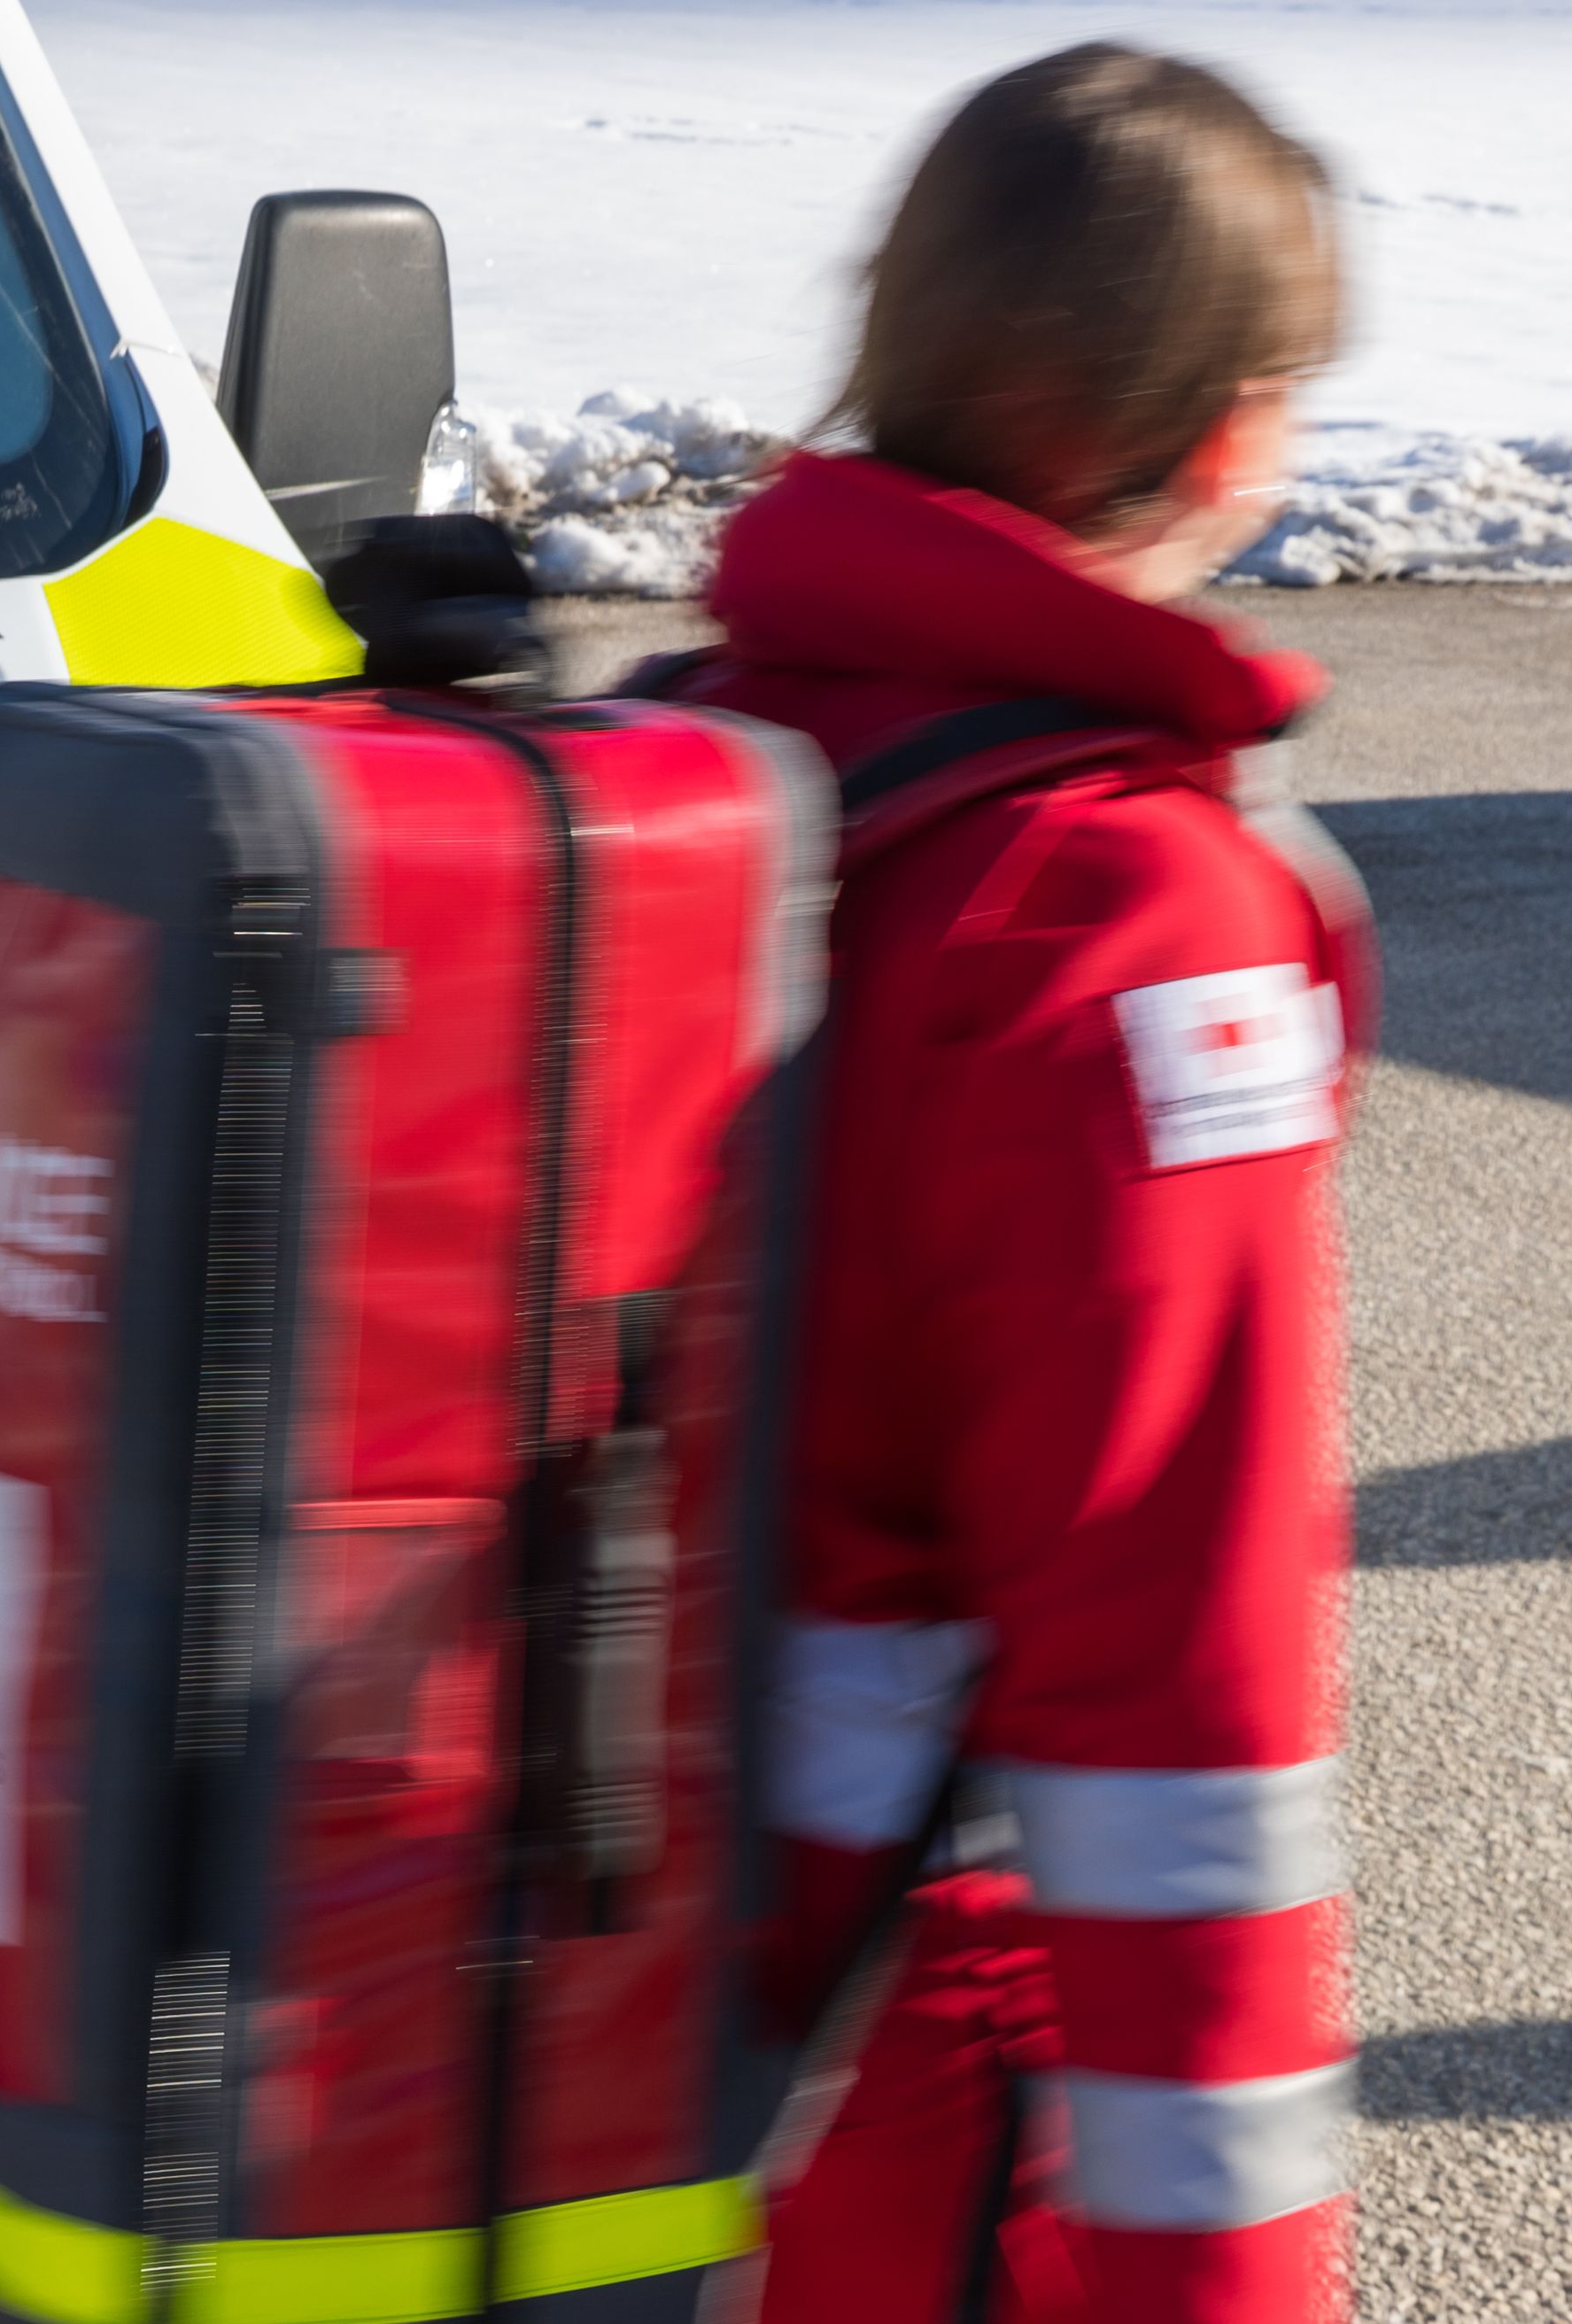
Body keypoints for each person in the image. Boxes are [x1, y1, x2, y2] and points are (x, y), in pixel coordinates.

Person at [659, 45, 1364, 2322]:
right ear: (1232, 428)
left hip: (614, 2010)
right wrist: (1222, 2278)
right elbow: (1178, 1687)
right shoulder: (1123, 910)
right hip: (913, 2058)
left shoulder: (699, 748)